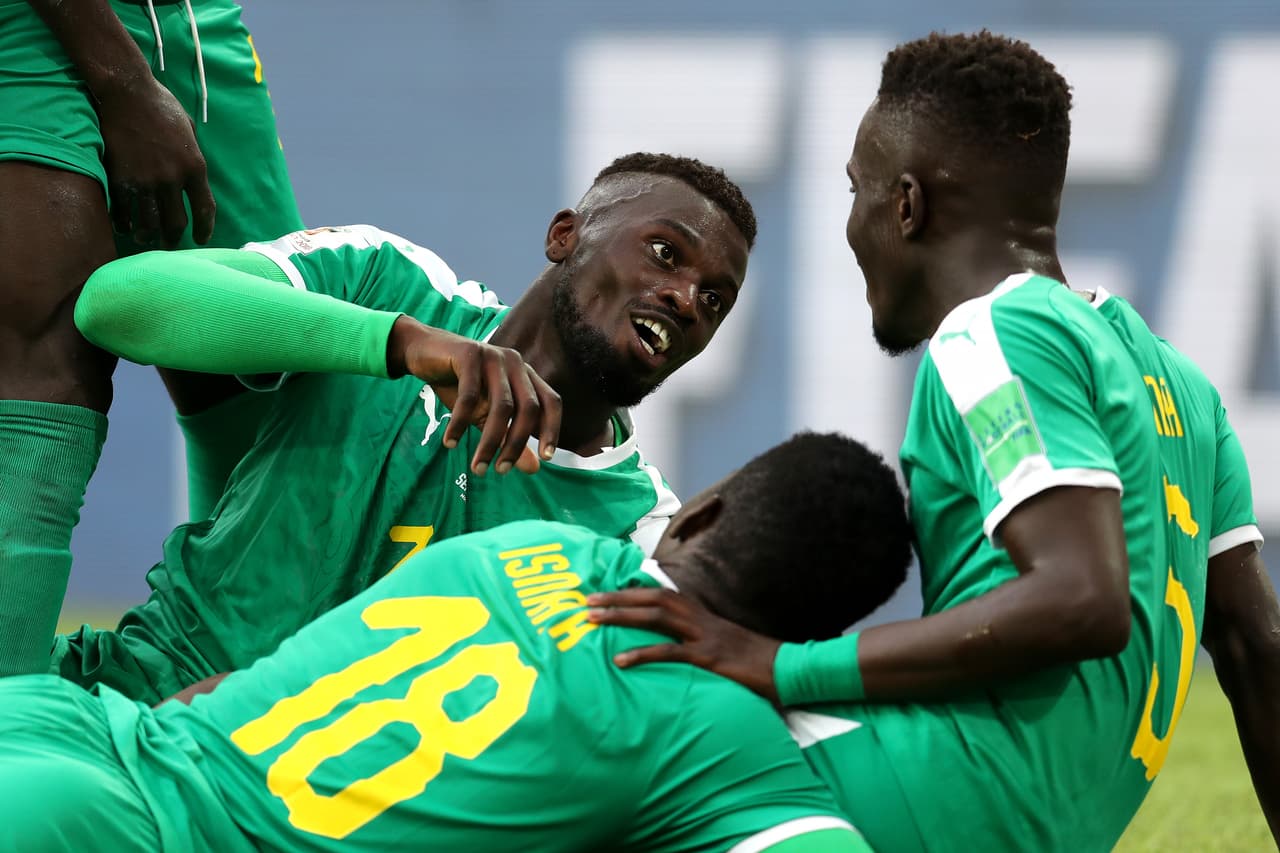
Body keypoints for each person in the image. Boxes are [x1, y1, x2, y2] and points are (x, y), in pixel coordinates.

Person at [587, 32, 1280, 850]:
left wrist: (781, 666)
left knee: (617, 698)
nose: (851, 225)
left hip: (947, 788)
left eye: (858, 190)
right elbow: (1254, 647)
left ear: (906, 205)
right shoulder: (1184, 388)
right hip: (1057, 827)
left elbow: (1083, 599)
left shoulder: (990, 335)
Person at [44, 152, 758, 708]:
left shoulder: (635, 536)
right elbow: (116, 302)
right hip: (114, 715)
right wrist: (401, 344)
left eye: (715, 299)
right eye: (666, 253)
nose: (686, 298)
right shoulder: (388, 284)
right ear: (564, 235)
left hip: (299, 820)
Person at [0, 432, 912, 852]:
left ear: (702, 512)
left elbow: (225, 689)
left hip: (69, 730)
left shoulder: (532, 541)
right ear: (814, 630)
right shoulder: (724, 739)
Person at [0, 0, 302, 677]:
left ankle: (225, 741)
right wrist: (122, 82)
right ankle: (9, 745)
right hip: (28, 20)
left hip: (192, 28)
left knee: (270, 390)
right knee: (41, 370)